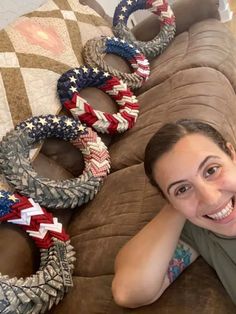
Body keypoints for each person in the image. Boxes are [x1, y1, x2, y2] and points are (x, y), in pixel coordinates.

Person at [112, 119, 236, 308]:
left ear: (232, 155)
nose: (210, 199)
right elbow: (129, 292)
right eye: (182, 189)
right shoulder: (200, 230)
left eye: (211, 170)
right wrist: (177, 204)